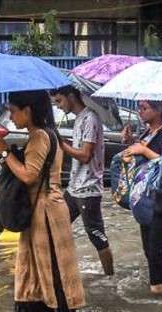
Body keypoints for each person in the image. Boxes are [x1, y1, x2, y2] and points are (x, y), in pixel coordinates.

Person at [0, 90, 85, 312]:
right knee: (35, 264)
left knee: (55, 268)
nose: (11, 117)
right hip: (46, 208)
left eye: (13, 111)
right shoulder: (49, 134)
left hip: (46, 211)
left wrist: (4, 153)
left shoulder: (39, 137)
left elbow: (29, 175)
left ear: (28, 111)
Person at [51, 85, 114, 276]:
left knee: (96, 235)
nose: (59, 106)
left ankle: (110, 277)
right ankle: (60, 271)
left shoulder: (90, 119)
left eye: (60, 101)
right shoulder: (79, 119)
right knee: (57, 227)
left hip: (88, 189)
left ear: (71, 96)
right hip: (73, 188)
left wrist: (61, 144)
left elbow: (85, 155)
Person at [121, 100, 162, 298]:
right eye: (139, 107)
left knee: (157, 248)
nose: (140, 111)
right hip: (143, 198)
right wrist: (130, 142)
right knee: (149, 247)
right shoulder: (147, 132)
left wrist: (143, 150)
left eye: (145, 108)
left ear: (159, 109)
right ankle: (161, 288)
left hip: (159, 198)